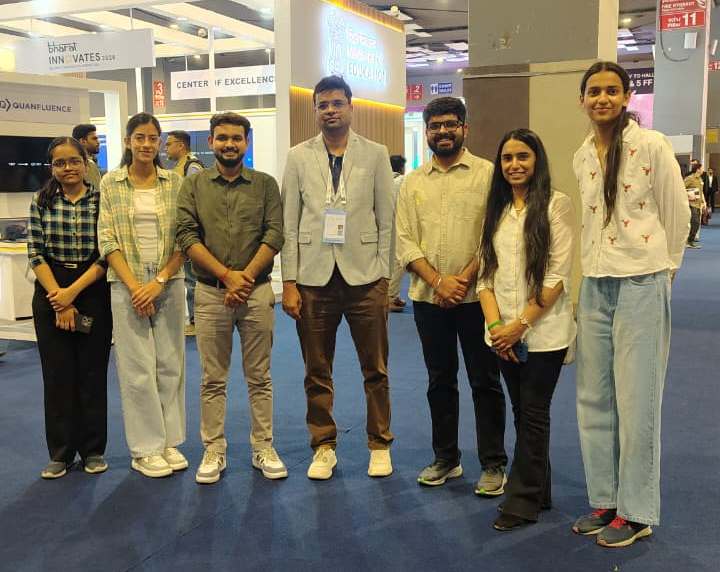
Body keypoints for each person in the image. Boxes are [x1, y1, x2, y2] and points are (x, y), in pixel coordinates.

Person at [572, 61, 690, 548]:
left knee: (638, 399)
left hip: (642, 279)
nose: (602, 98)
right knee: (594, 398)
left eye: (611, 90)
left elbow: (677, 213)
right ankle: (606, 498)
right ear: (582, 99)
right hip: (596, 282)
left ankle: (637, 511)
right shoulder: (582, 154)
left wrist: (666, 269)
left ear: (625, 97)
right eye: (594, 91)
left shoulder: (652, 145)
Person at [281, 75, 394, 480]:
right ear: (315, 110)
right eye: (323, 105)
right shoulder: (298, 156)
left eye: (337, 103)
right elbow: (289, 223)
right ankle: (323, 446)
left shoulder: (376, 154)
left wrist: (385, 277)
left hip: (366, 277)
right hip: (313, 279)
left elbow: (388, 221)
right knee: (317, 369)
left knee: (375, 369)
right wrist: (289, 282)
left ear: (351, 107)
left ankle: (379, 444)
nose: (330, 110)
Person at [395, 96, 507, 491]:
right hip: (429, 300)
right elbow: (404, 240)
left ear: (464, 128)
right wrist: (438, 282)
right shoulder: (412, 181)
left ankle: (493, 463)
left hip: (478, 298)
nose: (443, 132)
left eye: (450, 124)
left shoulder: (488, 174)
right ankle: (446, 458)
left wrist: (460, 280)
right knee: (439, 380)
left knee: (485, 381)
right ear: (426, 132)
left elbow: (494, 234)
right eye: (435, 126)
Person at [176, 112, 287, 484]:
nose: (229, 144)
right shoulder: (193, 186)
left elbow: (274, 234)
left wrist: (245, 277)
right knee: (212, 379)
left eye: (236, 138)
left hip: (256, 293)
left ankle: (263, 446)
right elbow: (187, 236)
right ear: (210, 142)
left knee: (260, 377)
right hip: (211, 294)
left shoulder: (265, 185)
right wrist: (227, 276)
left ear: (246, 142)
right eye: (222, 138)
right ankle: (214, 449)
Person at [477, 129, 575, 530]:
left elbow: (556, 276)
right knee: (522, 412)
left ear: (537, 161)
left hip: (544, 333)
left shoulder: (556, 205)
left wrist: (520, 326)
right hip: (503, 334)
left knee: (534, 412)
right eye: (507, 158)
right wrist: (497, 327)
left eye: (523, 157)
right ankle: (540, 489)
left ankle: (521, 502)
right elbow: (485, 276)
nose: (514, 165)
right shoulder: (496, 210)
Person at [98, 112, 188, 479]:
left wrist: (160, 280)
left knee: (170, 364)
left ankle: (169, 441)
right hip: (127, 284)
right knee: (137, 369)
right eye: (140, 137)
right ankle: (146, 448)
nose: (147, 144)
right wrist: (137, 287)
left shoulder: (175, 182)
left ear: (160, 142)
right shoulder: (111, 183)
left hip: (169, 279)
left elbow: (186, 237)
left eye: (153, 138)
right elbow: (107, 240)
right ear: (127, 141)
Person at [27, 136, 112, 479]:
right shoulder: (41, 201)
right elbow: (36, 253)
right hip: (51, 290)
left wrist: (72, 294)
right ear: (52, 168)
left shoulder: (102, 200)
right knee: (57, 376)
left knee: (92, 374)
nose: (68, 168)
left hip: (91, 288)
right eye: (59, 163)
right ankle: (60, 453)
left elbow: (107, 254)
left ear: (85, 162)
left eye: (74, 161)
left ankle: (93, 451)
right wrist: (59, 298)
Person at [165, 130, 204, 335]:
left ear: (181, 145)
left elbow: (196, 199)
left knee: (193, 279)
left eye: (168, 144)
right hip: (183, 229)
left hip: (191, 232)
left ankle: (198, 321)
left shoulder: (192, 167)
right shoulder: (180, 166)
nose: (165, 148)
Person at [388, 154, 407, 312]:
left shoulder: (384, 179)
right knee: (399, 262)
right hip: (398, 225)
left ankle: (393, 295)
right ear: (401, 168)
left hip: (383, 226)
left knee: (389, 262)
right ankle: (390, 297)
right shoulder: (402, 181)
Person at [72, 124, 102, 190]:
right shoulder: (87, 164)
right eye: (94, 139)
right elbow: (96, 191)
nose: (98, 142)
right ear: (83, 141)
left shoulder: (90, 161)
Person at [684, 161, 706, 248]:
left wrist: (704, 202)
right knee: (695, 222)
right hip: (691, 204)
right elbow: (681, 188)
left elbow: (701, 192)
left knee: (696, 224)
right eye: (702, 168)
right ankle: (689, 241)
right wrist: (689, 195)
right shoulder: (690, 178)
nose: (703, 170)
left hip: (698, 204)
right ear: (698, 169)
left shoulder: (700, 179)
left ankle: (690, 241)